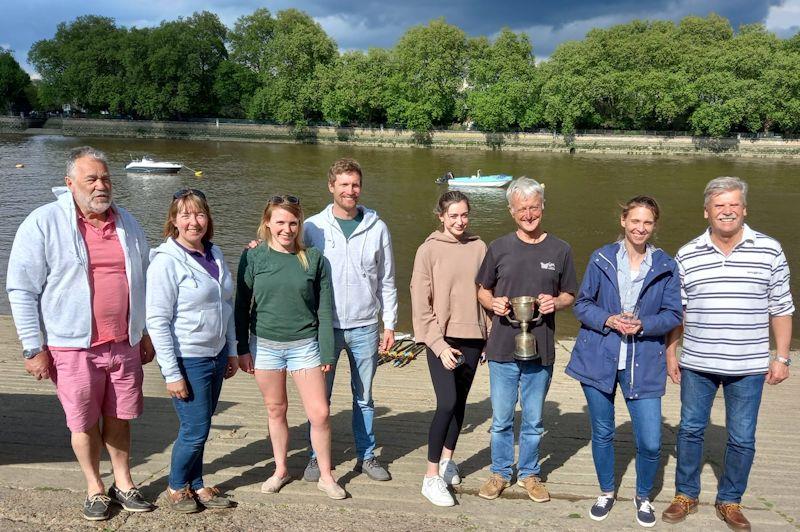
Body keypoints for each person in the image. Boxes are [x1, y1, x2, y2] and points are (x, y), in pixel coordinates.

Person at [6, 146, 155, 520]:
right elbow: (22, 288)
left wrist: (146, 330)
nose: (101, 185)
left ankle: (124, 482)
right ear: (70, 183)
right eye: (91, 179)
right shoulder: (43, 222)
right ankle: (95, 487)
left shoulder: (129, 223)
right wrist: (31, 347)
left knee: (121, 416)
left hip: (124, 342)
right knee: (84, 420)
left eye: (105, 178)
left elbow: (147, 280)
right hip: (72, 346)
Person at [662, 177, 794, 531]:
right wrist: (671, 353)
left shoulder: (769, 249)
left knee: (742, 436)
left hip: (749, 364)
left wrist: (782, 357)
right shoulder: (688, 254)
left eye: (734, 204)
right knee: (690, 429)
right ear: (706, 211)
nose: (727, 211)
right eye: (719, 205)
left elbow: (781, 307)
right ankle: (685, 494)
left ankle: (730, 500)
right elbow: (680, 312)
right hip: (698, 363)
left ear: (745, 209)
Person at [566, 196, 682, 527]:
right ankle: (606, 491)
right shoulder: (601, 257)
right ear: (623, 221)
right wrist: (609, 319)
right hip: (598, 357)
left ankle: (642, 496)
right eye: (635, 221)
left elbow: (673, 314)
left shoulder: (666, 265)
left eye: (647, 222)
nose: (640, 228)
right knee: (602, 432)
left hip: (644, 359)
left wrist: (645, 324)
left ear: (654, 226)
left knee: (650, 440)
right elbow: (582, 304)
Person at [235, 195, 346, 500]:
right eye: (280, 222)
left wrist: (325, 350)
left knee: (320, 413)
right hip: (265, 345)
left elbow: (324, 310)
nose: (287, 229)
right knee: (276, 409)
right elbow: (242, 305)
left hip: (305, 346)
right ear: (267, 223)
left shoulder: (315, 259)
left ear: (300, 225)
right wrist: (242, 346)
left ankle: (326, 475)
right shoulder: (253, 257)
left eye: (293, 222)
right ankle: (280, 469)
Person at [476, 177, 578, 503]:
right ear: (511, 211)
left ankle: (530, 474)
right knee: (502, 417)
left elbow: (571, 294)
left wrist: (556, 302)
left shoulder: (560, 250)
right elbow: (482, 288)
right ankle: (500, 472)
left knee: (533, 420)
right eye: (522, 208)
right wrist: (491, 303)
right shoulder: (499, 247)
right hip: (503, 347)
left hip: (541, 348)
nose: (529, 214)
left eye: (534, 207)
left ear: (543, 207)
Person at [303, 158, 397, 482]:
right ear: (331, 186)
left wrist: (390, 324)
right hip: (325, 328)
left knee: (364, 396)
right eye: (343, 184)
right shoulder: (313, 227)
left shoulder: (377, 227)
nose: (350, 191)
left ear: (361, 187)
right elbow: (290, 259)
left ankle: (367, 456)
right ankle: (317, 458)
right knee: (321, 397)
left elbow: (387, 279)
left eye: (355, 184)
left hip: (365, 325)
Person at [146, 188, 239, 513]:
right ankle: (176, 486)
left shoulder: (214, 254)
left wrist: (231, 350)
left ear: (208, 219)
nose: (193, 221)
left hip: (215, 356)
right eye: (185, 215)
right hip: (188, 359)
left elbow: (226, 304)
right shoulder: (165, 262)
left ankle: (197, 484)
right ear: (174, 220)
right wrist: (172, 373)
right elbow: (157, 321)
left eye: (199, 214)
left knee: (202, 426)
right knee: (195, 429)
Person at [411, 190, 489, 507]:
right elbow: (420, 304)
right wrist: (438, 344)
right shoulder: (428, 251)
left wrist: (488, 335)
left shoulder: (480, 247)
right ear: (441, 216)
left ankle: (446, 461)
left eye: (464, 214)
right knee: (446, 402)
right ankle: (430, 478)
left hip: (474, 337)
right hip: (441, 339)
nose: (460, 221)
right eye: (453, 215)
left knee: (460, 404)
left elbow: (487, 293)